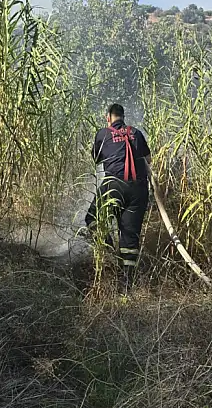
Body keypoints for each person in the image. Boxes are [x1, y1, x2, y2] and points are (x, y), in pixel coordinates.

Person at [81, 103, 152, 292]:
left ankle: (109, 251)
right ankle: (126, 288)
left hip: (114, 185)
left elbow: (96, 159)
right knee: (129, 239)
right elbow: (148, 160)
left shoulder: (103, 134)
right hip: (139, 189)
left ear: (108, 118)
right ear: (123, 116)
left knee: (92, 219)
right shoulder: (136, 133)